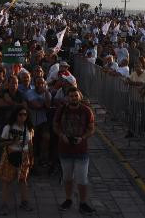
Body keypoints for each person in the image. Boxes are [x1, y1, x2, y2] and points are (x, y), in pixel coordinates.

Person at [53, 87, 96, 215]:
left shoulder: (86, 111)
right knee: (67, 178)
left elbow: (92, 128)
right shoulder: (62, 110)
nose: (73, 98)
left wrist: (82, 138)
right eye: (71, 96)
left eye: (75, 96)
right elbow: (55, 125)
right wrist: (62, 136)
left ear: (79, 97)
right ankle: (68, 199)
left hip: (81, 150)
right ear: (67, 98)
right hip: (64, 149)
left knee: (82, 179)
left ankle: (83, 203)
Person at [0, 106, 35, 215]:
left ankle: (24, 202)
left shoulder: (29, 128)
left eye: (25, 114)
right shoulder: (8, 127)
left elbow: (30, 143)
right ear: (15, 115)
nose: (23, 117)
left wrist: (32, 158)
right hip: (11, 155)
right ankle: (4, 205)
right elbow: (1, 143)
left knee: (23, 180)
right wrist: (12, 141)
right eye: (20, 114)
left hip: (24, 156)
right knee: (6, 181)